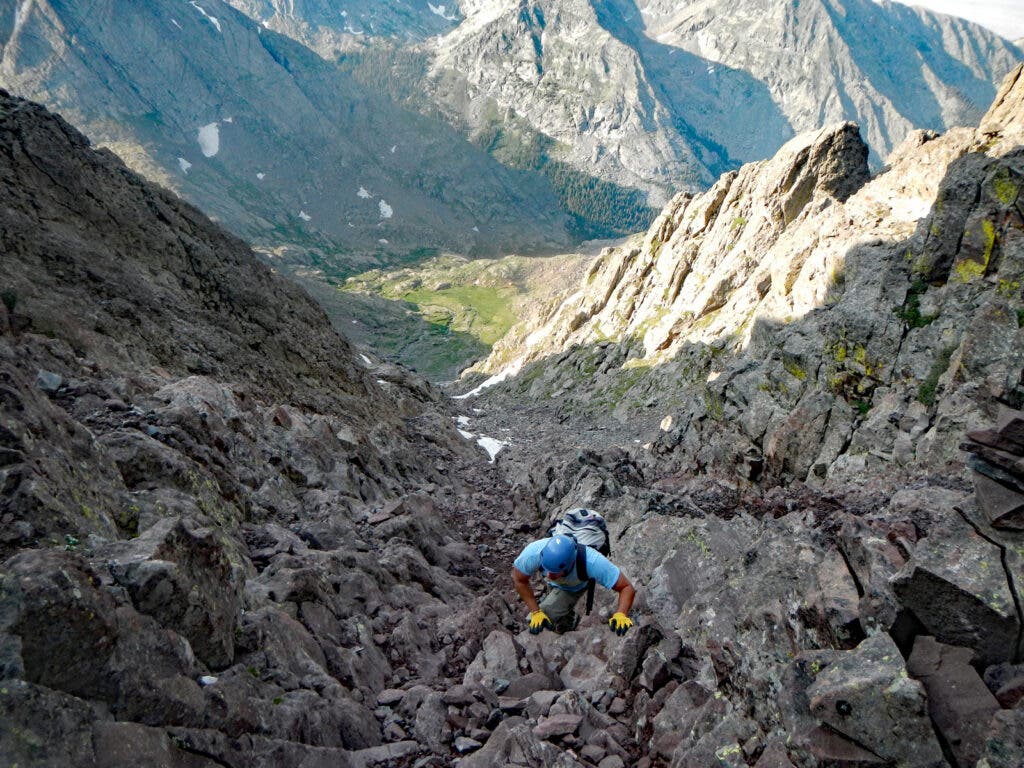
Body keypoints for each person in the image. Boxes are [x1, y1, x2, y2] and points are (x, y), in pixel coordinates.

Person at [512, 534, 636, 635]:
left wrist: (621, 614)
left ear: (570, 565)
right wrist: (535, 612)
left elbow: (626, 587)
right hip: (562, 581)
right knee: (538, 619)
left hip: (574, 587)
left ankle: (565, 624)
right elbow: (519, 580)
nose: (548, 575)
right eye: (546, 569)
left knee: (538, 625)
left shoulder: (592, 562)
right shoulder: (534, 553)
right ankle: (566, 619)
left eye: (555, 573)